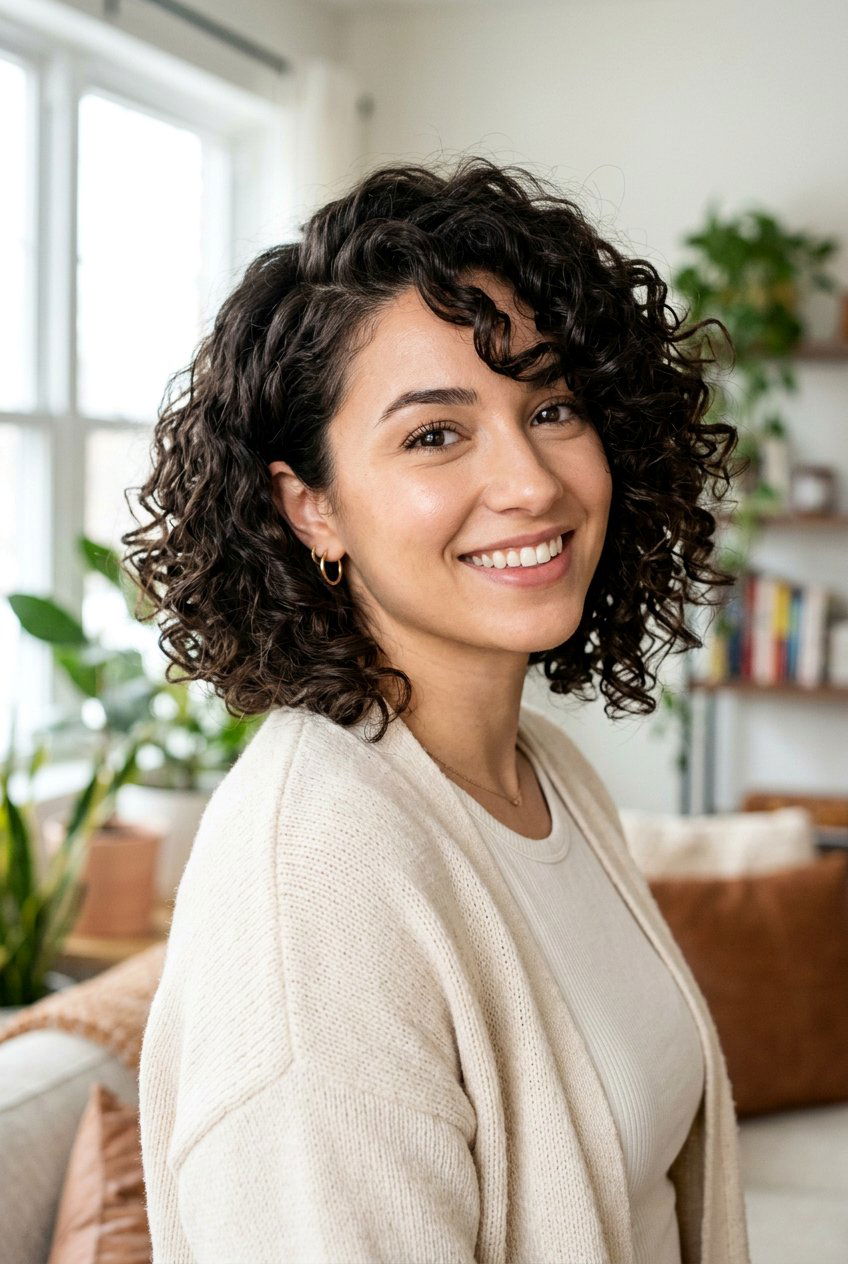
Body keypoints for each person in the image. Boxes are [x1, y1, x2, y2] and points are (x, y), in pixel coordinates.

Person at [128, 155, 751, 1262]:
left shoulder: (546, 773)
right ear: (308, 504)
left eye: (550, 404)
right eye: (434, 433)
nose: (530, 481)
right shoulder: (313, 891)